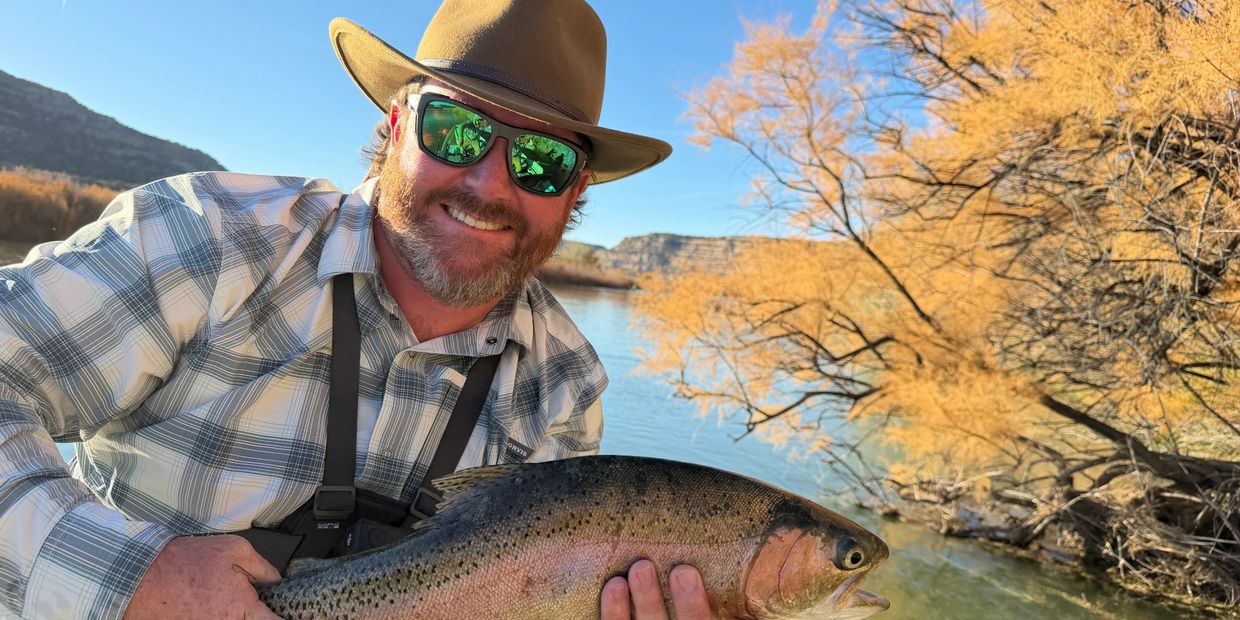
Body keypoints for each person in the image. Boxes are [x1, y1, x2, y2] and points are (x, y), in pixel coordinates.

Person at [0, 1, 714, 618]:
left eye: (542, 162)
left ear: (575, 190)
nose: (490, 184)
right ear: (397, 125)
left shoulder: (565, 390)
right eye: (457, 130)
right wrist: (132, 581)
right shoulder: (207, 240)